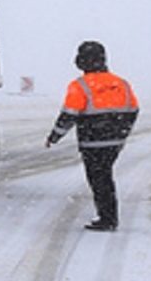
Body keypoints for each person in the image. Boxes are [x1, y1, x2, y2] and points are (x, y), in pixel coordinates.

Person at [46, 41, 139, 231]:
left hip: (92, 143)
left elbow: (69, 115)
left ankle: (108, 219)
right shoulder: (121, 83)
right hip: (114, 142)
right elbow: (133, 109)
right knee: (105, 177)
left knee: (99, 179)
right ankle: (108, 216)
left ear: (81, 62)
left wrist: (55, 136)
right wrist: (122, 133)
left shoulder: (79, 85)